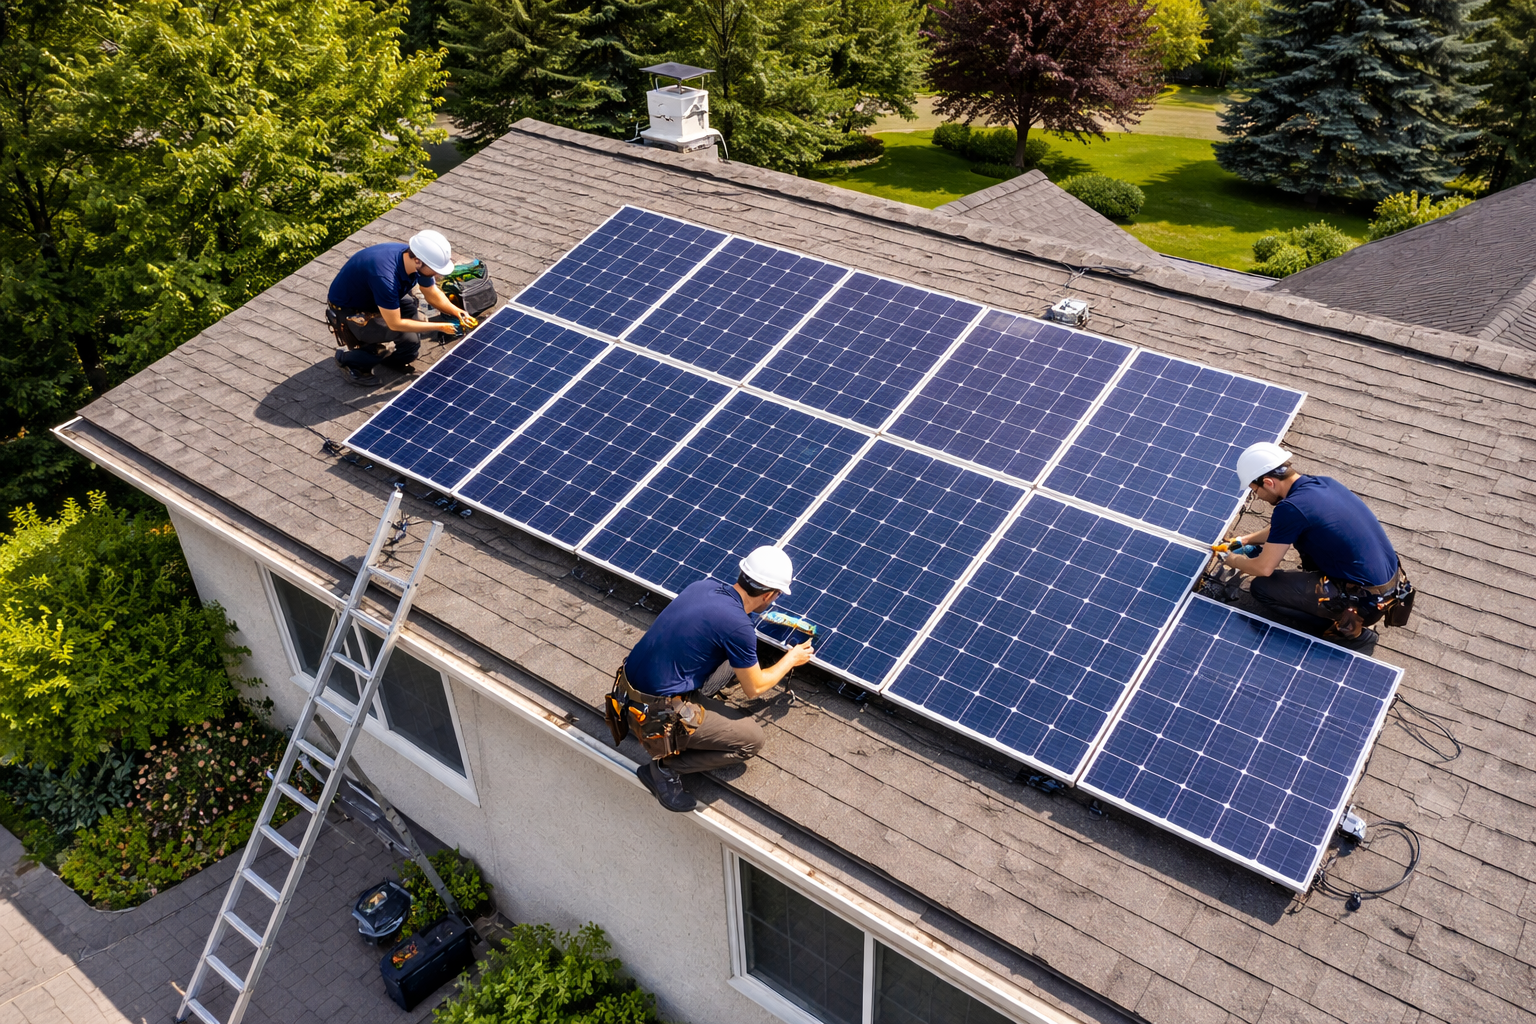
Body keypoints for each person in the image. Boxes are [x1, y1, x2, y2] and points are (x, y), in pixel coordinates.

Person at [607, 546, 814, 812]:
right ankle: (663, 770)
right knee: (751, 739)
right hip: (653, 713)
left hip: (626, 692)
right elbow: (755, 687)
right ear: (770, 595)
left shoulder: (701, 586)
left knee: (735, 658)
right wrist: (791, 659)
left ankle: (679, 717)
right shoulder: (739, 627)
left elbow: (710, 628)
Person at [1220, 442, 1404, 649]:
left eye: (1255, 491)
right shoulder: (1322, 484)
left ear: (1269, 482)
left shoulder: (1289, 509)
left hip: (1365, 601)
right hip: (1391, 585)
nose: (1257, 497)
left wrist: (1230, 559)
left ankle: (1349, 632)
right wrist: (1245, 540)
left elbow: (1264, 568)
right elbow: (1285, 528)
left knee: (1262, 588)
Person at [325, 230, 472, 386]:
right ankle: (350, 361)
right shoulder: (385, 278)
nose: (438, 275)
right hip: (350, 310)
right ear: (417, 261)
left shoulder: (416, 259)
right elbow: (395, 323)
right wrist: (440, 326)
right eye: (436, 270)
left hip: (377, 298)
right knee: (388, 346)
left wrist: (456, 311)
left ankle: (391, 359)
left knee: (410, 346)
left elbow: (431, 292)